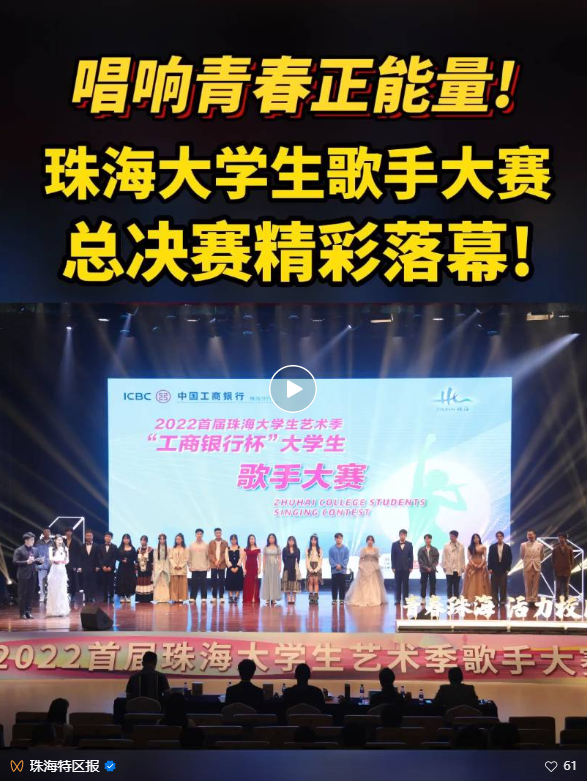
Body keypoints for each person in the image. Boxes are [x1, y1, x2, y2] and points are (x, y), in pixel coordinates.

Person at [346, 536, 388, 607]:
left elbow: (377, 559)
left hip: (374, 567)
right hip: (365, 566)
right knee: (364, 584)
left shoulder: (376, 549)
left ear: (373, 541)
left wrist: (377, 567)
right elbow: (361, 558)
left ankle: (374, 598)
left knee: (374, 583)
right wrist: (360, 566)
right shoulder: (363, 549)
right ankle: (364, 599)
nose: (370, 541)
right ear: (366, 541)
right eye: (368, 540)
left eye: (371, 540)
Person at [13, 532, 43, 619]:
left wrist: (40, 561)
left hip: (33, 574)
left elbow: (36, 561)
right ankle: (22, 613)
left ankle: (28, 612)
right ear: (26, 540)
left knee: (30, 594)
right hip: (23, 575)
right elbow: (15, 562)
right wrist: (26, 562)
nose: (33, 541)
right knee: (22, 595)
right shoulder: (19, 550)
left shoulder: (35, 550)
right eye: (31, 540)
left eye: (33, 540)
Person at [46, 535, 70, 617]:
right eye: (58, 540)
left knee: (62, 589)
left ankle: (62, 610)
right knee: (54, 589)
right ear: (55, 540)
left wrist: (63, 561)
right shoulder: (51, 548)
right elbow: (51, 559)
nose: (60, 541)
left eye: (61, 540)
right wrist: (57, 559)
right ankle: (53, 610)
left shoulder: (65, 549)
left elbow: (67, 560)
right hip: (55, 569)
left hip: (62, 569)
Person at [462, 534, 491, 601]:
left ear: (479, 538)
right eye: (474, 538)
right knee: (471, 582)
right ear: (472, 539)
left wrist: (481, 564)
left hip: (481, 565)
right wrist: (473, 564)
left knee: (481, 582)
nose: (476, 539)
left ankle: (481, 598)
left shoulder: (483, 547)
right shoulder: (470, 547)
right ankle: (471, 598)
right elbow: (468, 557)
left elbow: (485, 557)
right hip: (472, 566)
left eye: (477, 538)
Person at [520, 529, 544, 606]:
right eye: (528, 535)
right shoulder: (523, 545)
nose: (529, 536)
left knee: (535, 585)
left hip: (536, 566)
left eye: (531, 535)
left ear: (534, 535)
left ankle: (534, 600)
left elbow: (541, 556)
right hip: (527, 566)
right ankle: (529, 600)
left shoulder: (540, 545)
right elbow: (522, 556)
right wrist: (528, 561)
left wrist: (536, 561)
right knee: (527, 584)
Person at [487, 531, 512, 606]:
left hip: (503, 569)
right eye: (497, 536)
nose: (499, 537)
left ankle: (502, 601)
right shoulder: (492, 547)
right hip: (494, 568)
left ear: (503, 537)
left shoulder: (507, 547)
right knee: (494, 586)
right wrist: (489, 568)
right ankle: (495, 601)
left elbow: (509, 558)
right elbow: (489, 557)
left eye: (500, 536)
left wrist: (508, 569)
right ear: (496, 537)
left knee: (503, 586)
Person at [441, 530, 466, 599]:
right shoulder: (446, 545)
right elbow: (443, 556)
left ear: (456, 537)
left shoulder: (461, 545)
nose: (450, 537)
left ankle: (456, 598)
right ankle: (449, 598)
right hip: (449, 568)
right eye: (450, 536)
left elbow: (463, 557)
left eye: (452, 536)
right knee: (449, 585)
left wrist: (463, 567)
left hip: (458, 568)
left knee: (456, 585)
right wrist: (443, 566)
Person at [391, 529, 413, 605]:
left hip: (406, 567)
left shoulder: (409, 544)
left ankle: (405, 600)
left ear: (406, 536)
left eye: (404, 535)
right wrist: (393, 567)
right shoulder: (394, 544)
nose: (402, 536)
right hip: (397, 567)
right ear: (399, 535)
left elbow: (411, 556)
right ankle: (397, 599)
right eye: (401, 534)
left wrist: (411, 567)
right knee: (397, 584)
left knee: (406, 584)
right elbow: (393, 556)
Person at [208, 527, 228, 603]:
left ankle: (221, 596)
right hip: (213, 564)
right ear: (214, 534)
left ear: (221, 533)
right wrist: (215, 561)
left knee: (222, 581)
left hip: (222, 564)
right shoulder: (211, 542)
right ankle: (214, 597)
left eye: (219, 533)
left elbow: (225, 554)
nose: (218, 534)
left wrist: (219, 562)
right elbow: (209, 553)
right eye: (217, 533)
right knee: (213, 581)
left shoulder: (225, 543)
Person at [188, 528, 209, 603]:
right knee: (194, 583)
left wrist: (208, 565)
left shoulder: (206, 545)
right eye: (198, 534)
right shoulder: (192, 545)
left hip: (203, 567)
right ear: (195, 535)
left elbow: (208, 556)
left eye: (200, 534)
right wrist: (189, 565)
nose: (199, 535)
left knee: (204, 583)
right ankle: (193, 597)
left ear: (202, 535)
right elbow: (189, 556)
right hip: (194, 567)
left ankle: (204, 597)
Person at [79, 530, 100, 603]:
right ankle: (87, 597)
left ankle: (92, 597)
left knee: (93, 582)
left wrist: (98, 566)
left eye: (90, 535)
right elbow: (80, 557)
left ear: (92, 536)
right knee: (85, 582)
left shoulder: (97, 546)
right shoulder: (81, 546)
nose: (89, 537)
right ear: (85, 536)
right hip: (84, 567)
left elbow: (98, 557)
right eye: (87, 535)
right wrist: (80, 567)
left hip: (94, 567)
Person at [328, 532, 349, 605]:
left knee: (342, 585)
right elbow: (330, 559)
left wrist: (341, 565)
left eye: (340, 538)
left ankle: (342, 599)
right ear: (335, 539)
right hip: (334, 570)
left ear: (342, 539)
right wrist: (335, 565)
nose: (338, 539)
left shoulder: (345, 549)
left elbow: (346, 558)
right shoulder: (331, 549)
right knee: (334, 585)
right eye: (337, 538)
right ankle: (334, 599)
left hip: (342, 570)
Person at [552, 532, 574, 601]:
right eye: (559, 538)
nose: (560, 539)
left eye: (561, 538)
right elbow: (553, 560)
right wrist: (555, 567)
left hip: (567, 571)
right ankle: (557, 599)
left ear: (565, 539)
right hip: (558, 571)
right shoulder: (555, 549)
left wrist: (570, 568)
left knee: (566, 587)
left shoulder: (569, 549)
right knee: (558, 586)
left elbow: (572, 560)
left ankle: (566, 599)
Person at [418, 533, 439, 603]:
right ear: (424, 540)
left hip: (432, 570)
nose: (428, 540)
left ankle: (432, 598)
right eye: (426, 539)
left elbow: (436, 560)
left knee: (433, 584)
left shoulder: (435, 549)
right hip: (424, 570)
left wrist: (432, 567)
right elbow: (420, 561)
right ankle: (423, 598)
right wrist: (426, 568)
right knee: (423, 584)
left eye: (429, 539)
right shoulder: (421, 549)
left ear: (431, 540)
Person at [116, 534, 137, 602]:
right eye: (124, 539)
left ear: (129, 540)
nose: (126, 540)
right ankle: (122, 596)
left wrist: (128, 560)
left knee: (129, 581)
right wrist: (122, 560)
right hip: (122, 567)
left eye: (127, 539)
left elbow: (135, 558)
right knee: (122, 581)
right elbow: (117, 557)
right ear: (122, 540)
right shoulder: (119, 548)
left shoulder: (133, 548)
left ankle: (128, 596)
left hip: (130, 567)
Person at [261, 533, 281, 606]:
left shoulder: (278, 547)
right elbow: (264, 558)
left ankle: (273, 598)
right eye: (270, 538)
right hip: (267, 565)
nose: (271, 539)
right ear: (268, 539)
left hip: (275, 565)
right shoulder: (265, 547)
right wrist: (263, 567)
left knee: (274, 581)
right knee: (267, 581)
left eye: (272, 538)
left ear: (275, 539)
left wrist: (280, 567)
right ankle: (267, 598)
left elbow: (279, 558)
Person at [98, 531, 118, 602]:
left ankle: (111, 597)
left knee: (111, 583)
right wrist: (103, 566)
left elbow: (114, 558)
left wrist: (110, 567)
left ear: (111, 538)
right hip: (103, 568)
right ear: (104, 537)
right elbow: (99, 558)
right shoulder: (100, 546)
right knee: (104, 583)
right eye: (106, 536)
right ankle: (105, 597)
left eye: (109, 536)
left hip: (111, 568)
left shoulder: (114, 546)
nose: (108, 538)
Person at [169, 533, 189, 603]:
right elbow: (170, 558)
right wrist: (175, 565)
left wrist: (180, 565)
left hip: (182, 569)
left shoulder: (185, 549)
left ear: (182, 540)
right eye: (176, 539)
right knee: (174, 584)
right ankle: (174, 598)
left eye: (179, 539)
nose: (178, 540)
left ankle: (181, 598)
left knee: (182, 585)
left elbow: (186, 558)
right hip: (174, 569)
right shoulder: (172, 549)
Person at [282, 535, 301, 604]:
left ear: (294, 541)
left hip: (294, 568)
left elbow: (298, 559)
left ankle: (293, 597)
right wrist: (292, 556)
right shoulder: (285, 549)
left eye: (292, 540)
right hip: (287, 567)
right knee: (287, 583)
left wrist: (290, 556)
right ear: (288, 541)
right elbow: (283, 558)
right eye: (289, 540)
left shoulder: (297, 549)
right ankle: (288, 598)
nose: (291, 542)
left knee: (294, 583)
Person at [225, 534, 244, 603]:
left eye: (235, 539)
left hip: (238, 568)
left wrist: (237, 567)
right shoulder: (227, 548)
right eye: (232, 539)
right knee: (230, 582)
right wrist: (231, 567)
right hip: (230, 568)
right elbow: (226, 558)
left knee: (238, 582)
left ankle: (236, 597)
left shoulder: (240, 548)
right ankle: (230, 597)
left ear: (236, 540)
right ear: (230, 540)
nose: (233, 541)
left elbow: (241, 558)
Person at [152, 533, 171, 603]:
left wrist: (165, 567)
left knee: (165, 582)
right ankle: (158, 598)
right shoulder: (156, 549)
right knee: (158, 583)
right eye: (161, 539)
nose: (162, 540)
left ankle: (165, 598)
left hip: (166, 567)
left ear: (165, 540)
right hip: (158, 567)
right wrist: (159, 568)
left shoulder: (168, 549)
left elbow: (169, 559)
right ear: (159, 540)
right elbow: (155, 560)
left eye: (163, 539)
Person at [243, 534, 261, 604]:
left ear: (255, 540)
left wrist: (260, 568)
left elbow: (259, 559)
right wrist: (244, 568)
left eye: (253, 539)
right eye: (250, 539)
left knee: (255, 582)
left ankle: (254, 597)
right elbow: (244, 559)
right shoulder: (246, 549)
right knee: (248, 583)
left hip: (255, 566)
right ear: (248, 540)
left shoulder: (258, 549)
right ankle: (248, 598)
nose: (251, 540)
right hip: (248, 567)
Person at [305, 534, 323, 605]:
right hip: (310, 566)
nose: (313, 541)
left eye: (315, 540)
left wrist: (317, 569)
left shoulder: (319, 549)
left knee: (316, 582)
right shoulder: (308, 549)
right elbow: (307, 559)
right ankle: (311, 598)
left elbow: (320, 560)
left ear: (317, 541)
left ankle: (315, 598)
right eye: (312, 540)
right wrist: (309, 568)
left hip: (317, 566)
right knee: (310, 582)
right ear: (310, 541)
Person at [64, 528, 81, 600]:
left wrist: (78, 565)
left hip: (73, 564)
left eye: (70, 531)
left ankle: (72, 595)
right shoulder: (62, 542)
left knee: (73, 579)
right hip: (64, 563)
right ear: (65, 533)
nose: (68, 533)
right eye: (67, 531)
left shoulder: (76, 542)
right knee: (65, 579)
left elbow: (78, 554)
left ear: (72, 533)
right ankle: (65, 594)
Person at [36, 528, 52, 603]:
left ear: (50, 533)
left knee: (51, 582)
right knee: (41, 582)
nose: (46, 533)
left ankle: (50, 596)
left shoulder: (53, 542)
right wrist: (36, 565)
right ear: (43, 533)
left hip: (51, 566)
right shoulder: (38, 542)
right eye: (45, 532)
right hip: (41, 565)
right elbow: (35, 553)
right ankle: (42, 596)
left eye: (48, 532)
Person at [136, 535, 154, 603]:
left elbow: (152, 560)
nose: (142, 541)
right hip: (140, 569)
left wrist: (152, 568)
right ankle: (141, 598)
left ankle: (148, 598)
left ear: (146, 541)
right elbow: (137, 560)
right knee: (140, 582)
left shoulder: (150, 549)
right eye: (141, 540)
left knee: (147, 582)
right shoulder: (138, 549)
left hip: (148, 569)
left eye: (144, 540)